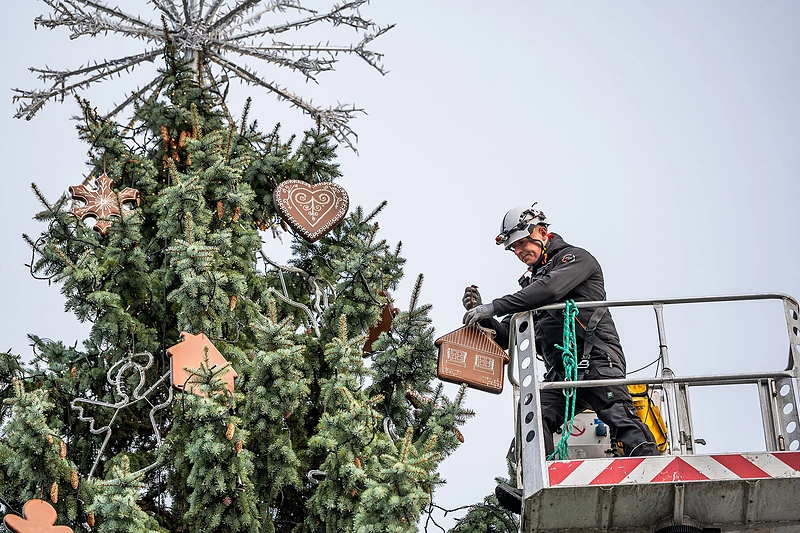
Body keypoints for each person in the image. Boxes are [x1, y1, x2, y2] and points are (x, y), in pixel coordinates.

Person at [462, 204, 659, 511]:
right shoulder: (532, 285)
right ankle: (536, 486)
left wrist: (496, 306)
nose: (519, 251)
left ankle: (653, 469)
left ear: (542, 232)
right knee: (534, 418)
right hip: (561, 373)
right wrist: (486, 317)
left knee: (616, 413)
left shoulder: (574, 260)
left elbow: (551, 290)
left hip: (595, 359)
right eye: (514, 248)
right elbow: (514, 336)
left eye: (523, 243)